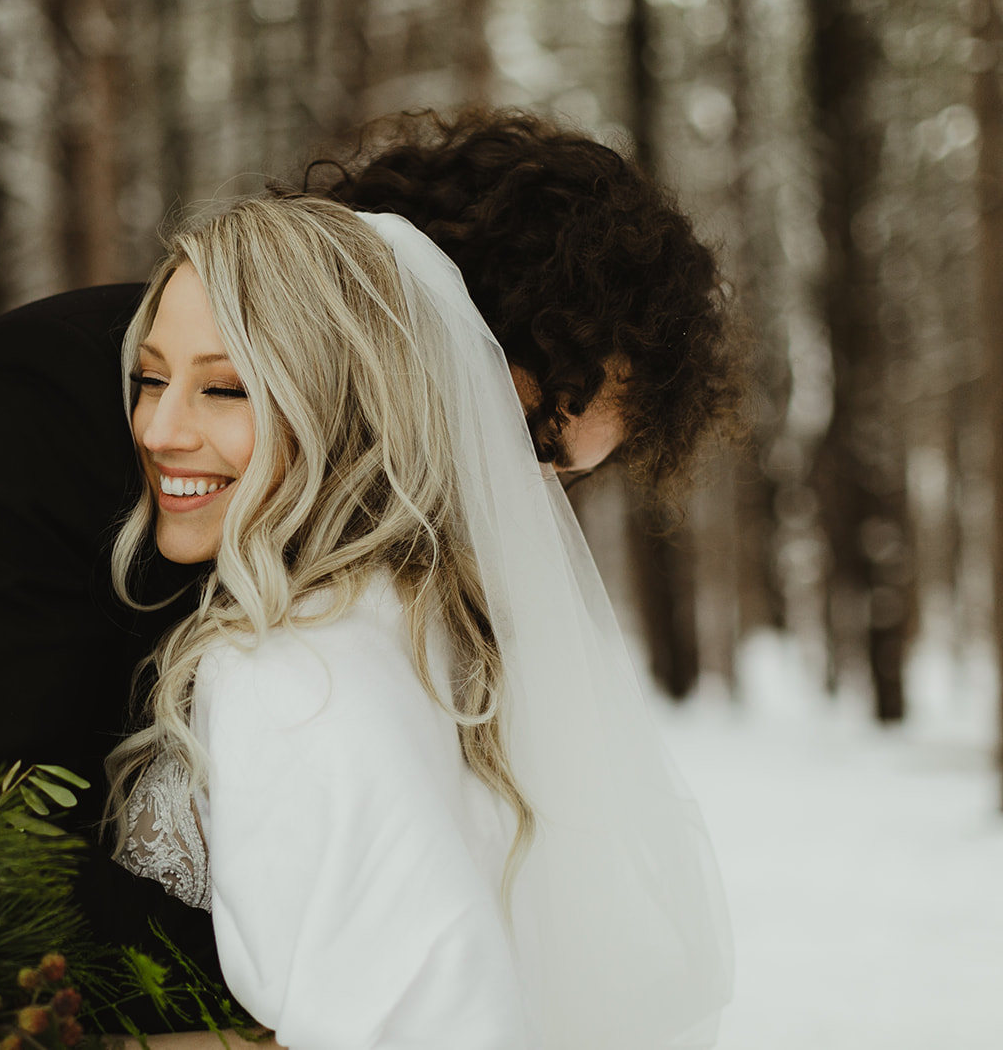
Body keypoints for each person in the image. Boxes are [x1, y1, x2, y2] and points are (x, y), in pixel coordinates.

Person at [0, 109, 742, 1032]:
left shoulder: (381, 612)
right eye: (521, 434)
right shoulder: (32, 404)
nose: (515, 498)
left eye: (554, 476)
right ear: (415, 337)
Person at [104, 196, 732, 1049]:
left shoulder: (292, 670)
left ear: (333, 402)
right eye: (150, 377)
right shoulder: (422, 616)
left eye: (224, 387)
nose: (159, 426)